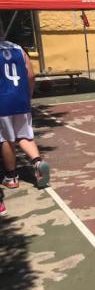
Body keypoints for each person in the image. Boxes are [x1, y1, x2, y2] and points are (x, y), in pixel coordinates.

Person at [0, 40, 50, 189]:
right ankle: (38, 162)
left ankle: (11, 177)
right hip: (21, 98)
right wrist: (28, 95)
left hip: (3, 100)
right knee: (24, 135)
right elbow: (31, 76)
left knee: (5, 139)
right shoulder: (18, 49)